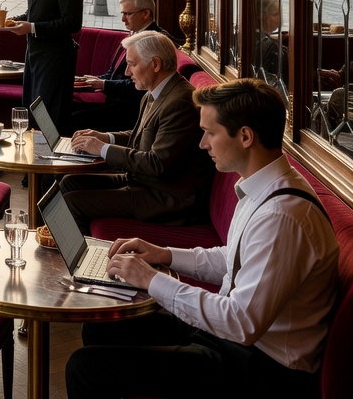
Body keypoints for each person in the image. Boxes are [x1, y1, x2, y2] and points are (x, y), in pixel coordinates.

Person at [65, 79, 339, 398]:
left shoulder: (282, 216)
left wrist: (151, 279)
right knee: (101, 324)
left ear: (245, 136)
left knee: (84, 368)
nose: (202, 144)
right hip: (235, 343)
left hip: (262, 370)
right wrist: (164, 254)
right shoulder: (263, 186)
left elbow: (241, 322)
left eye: (210, 132)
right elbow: (232, 258)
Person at [62, 32, 212, 227]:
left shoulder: (180, 102)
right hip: (144, 183)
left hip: (168, 197)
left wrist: (101, 149)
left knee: (72, 202)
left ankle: (83, 247)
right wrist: (106, 137)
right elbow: (140, 136)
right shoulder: (154, 92)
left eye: (132, 64)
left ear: (155, 64)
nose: (127, 72)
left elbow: (157, 164)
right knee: (69, 182)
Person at [8, 0, 83, 135]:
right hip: (34, 56)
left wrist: (31, 27)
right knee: (32, 110)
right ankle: (32, 154)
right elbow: (34, 13)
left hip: (55, 60)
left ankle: (49, 154)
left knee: (48, 115)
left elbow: (72, 23)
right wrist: (12, 22)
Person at [73, 0, 171, 132]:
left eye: (128, 14)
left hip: (128, 108)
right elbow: (113, 71)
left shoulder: (155, 40)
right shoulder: (133, 35)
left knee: (72, 119)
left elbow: (139, 86)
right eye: (122, 13)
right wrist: (92, 80)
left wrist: (104, 84)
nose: (123, 19)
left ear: (146, 13)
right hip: (115, 99)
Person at [256, 0, 287, 87]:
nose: (280, 18)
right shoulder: (273, 50)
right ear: (261, 16)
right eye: (275, 14)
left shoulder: (239, 37)